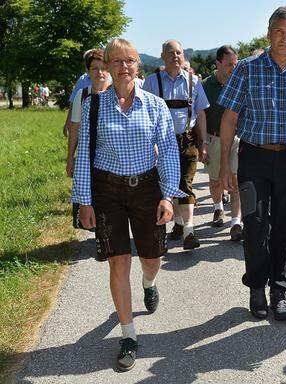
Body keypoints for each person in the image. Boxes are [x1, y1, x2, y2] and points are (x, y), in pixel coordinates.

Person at [71, 38, 185, 371]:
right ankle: (128, 335)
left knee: (151, 259)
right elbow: (84, 157)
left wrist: (167, 195)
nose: (123, 67)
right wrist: (84, 200)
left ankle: (149, 284)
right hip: (108, 192)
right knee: (118, 263)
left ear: (139, 65)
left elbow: (167, 153)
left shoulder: (155, 105)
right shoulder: (94, 105)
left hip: (147, 190)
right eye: (116, 61)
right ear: (106, 66)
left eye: (130, 61)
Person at [218, 6, 286, 321]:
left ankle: (279, 290)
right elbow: (229, 119)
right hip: (253, 158)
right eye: (279, 31)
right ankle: (256, 287)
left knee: (283, 229)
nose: (284, 38)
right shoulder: (247, 69)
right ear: (269, 33)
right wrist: (226, 165)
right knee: (253, 226)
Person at [143, 39, 209, 250]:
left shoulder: (194, 81)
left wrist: (203, 143)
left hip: (187, 140)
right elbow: (146, 116)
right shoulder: (152, 82)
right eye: (171, 53)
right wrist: (150, 143)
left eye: (179, 52)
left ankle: (189, 230)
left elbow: (200, 114)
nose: (176, 56)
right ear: (163, 56)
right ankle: (178, 224)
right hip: (162, 143)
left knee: (185, 184)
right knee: (167, 186)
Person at [201, 45, 242, 239]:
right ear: (218, 63)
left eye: (235, 64)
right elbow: (200, 116)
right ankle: (218, 208)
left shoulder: (241, 84)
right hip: (214, 137)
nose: (233, 68)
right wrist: (203, 143)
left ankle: (236, 222)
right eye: (228, 64)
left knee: (236, 179)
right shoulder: (205, 86)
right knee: (216, 179)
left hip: (236, 139)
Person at [66, 48, 111, 178]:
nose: (100, 72)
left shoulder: (117, 94)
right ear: (88, 71)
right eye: (95, 68)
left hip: (113, 157)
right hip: (87, 154)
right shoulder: (82, 95)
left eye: (104, 68)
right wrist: (70, 159)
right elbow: (74, 129)